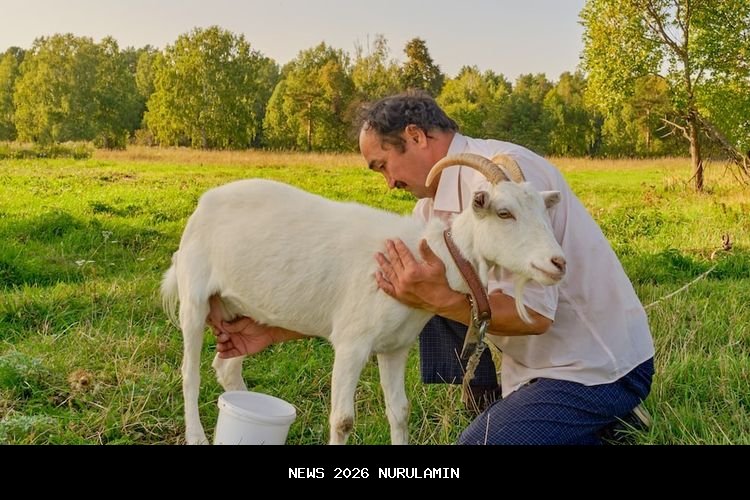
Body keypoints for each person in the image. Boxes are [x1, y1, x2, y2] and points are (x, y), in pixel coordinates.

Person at [207, 90, 655, 445]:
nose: (388, 182)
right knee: (419, 272)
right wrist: (276, 331)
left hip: (594, 367)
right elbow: (373, 305)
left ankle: (604, 415)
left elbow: (536, 316)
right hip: (530, 369)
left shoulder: (506, 178)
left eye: (384, 165)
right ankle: (494, 402)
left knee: (478, 445)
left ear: (416, 136)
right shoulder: (430, 210)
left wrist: (439, 297)